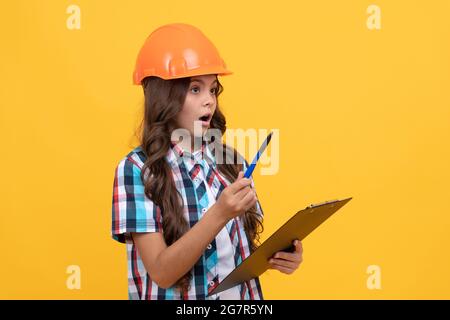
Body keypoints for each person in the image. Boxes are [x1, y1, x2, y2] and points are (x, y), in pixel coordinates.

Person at [111, 23, 303, 300]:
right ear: (163, 96)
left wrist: (280, 257)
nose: (209, 101)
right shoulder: (137, 170)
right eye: (195, 89)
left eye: (213, 90)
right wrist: (220, 213)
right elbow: (163, 273)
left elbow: (237, 254)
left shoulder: (231, 163)